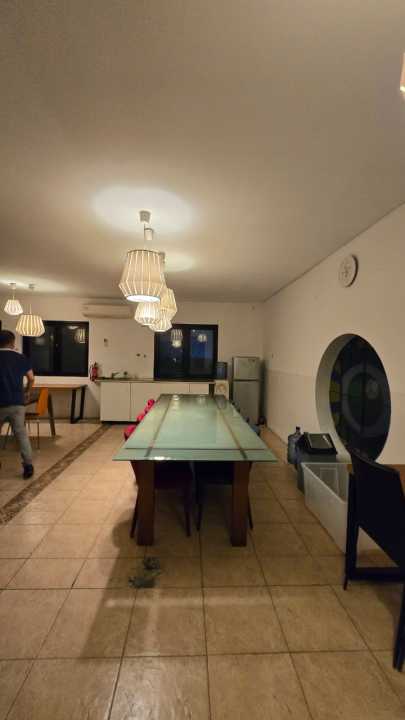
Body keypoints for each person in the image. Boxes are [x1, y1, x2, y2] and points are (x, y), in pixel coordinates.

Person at [0, 329, 34, 478]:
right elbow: (31, 378)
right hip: (17, 403)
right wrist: (27, 392)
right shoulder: (21, 358)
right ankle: (28, 466)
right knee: (21, 435)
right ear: (12, 342)